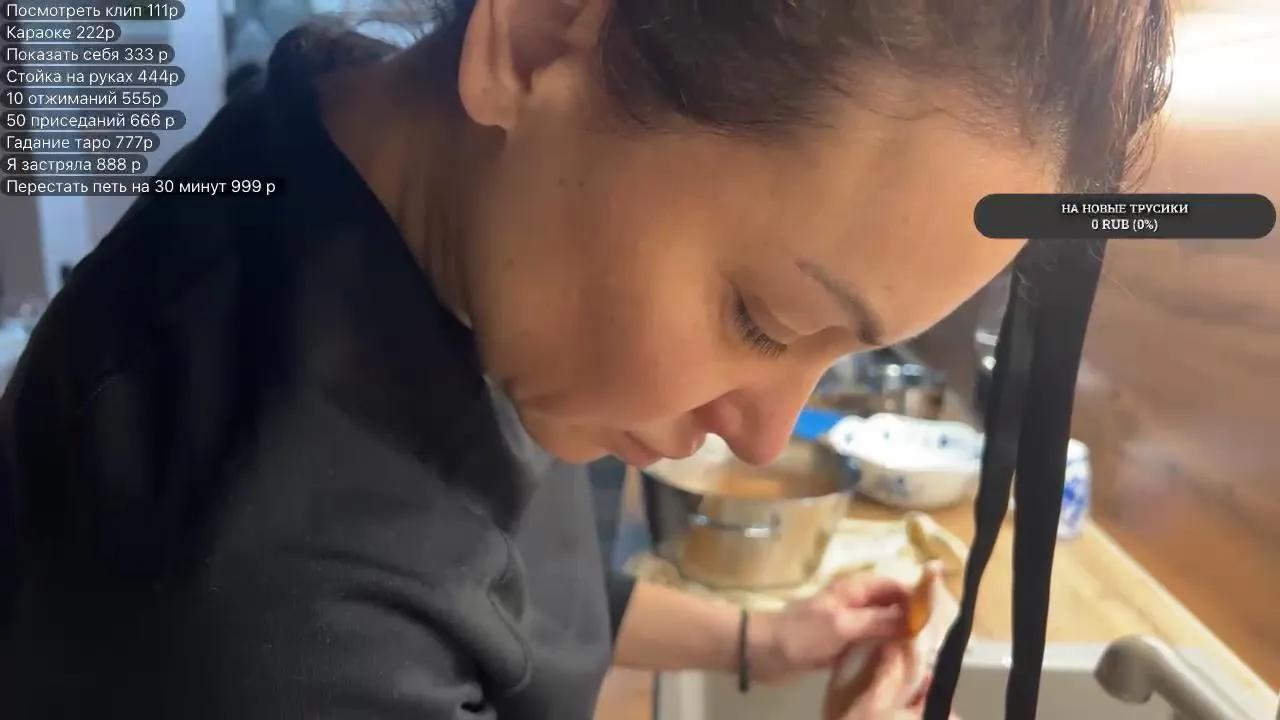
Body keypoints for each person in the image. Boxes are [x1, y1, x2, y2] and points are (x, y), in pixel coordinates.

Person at [0, 0, 1172, 717]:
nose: (764, 432)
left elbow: (500, 600)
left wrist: (761, 639)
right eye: (763, 320)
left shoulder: (402, 192)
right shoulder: (251, 612)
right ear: (538, 32)